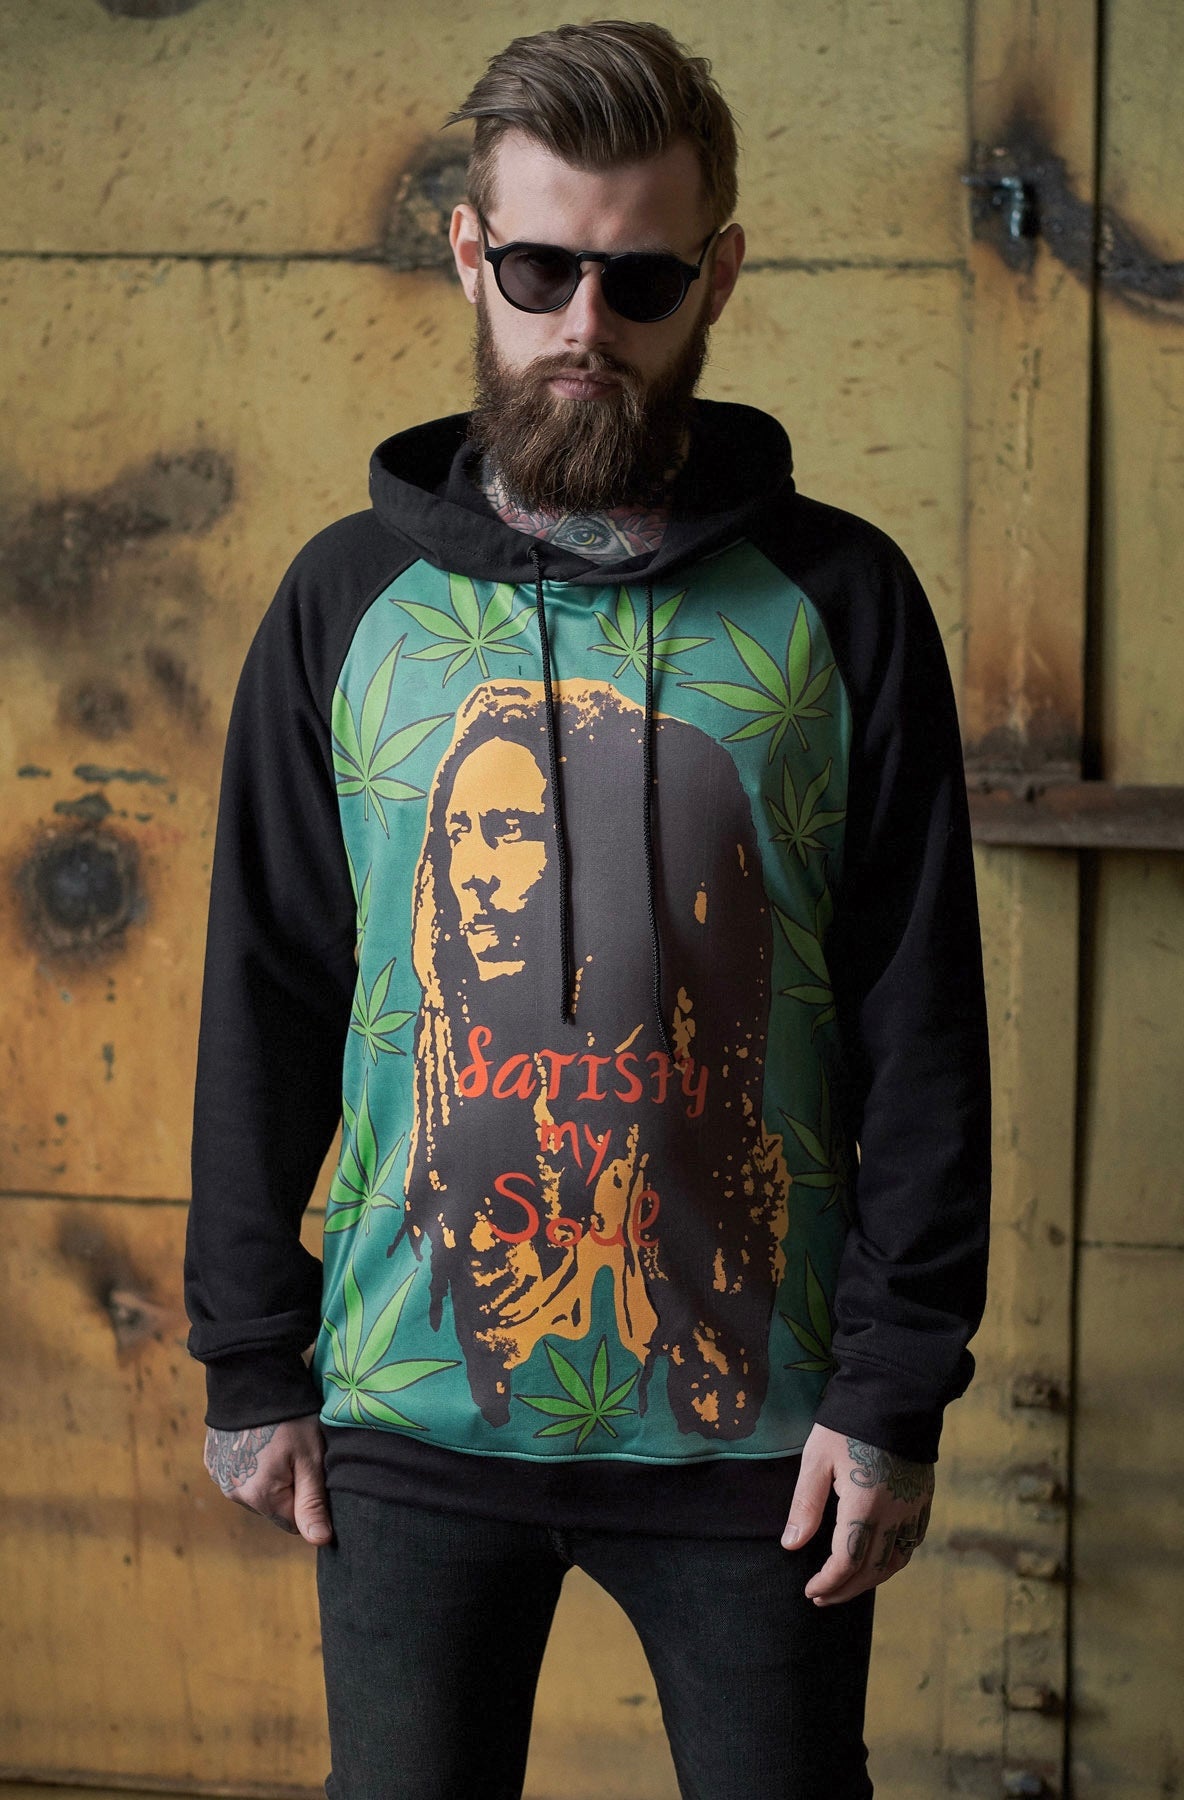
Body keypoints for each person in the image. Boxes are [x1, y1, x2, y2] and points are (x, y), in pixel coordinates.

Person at [185, 20, 990, 1800]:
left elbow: (919, 1017)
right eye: (541, 269)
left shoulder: (840, 601)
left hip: (756, 1424)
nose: (584, 325)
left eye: (640, 280)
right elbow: (269, 985)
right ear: (471, 253)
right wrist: (249, 1357)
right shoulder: (348, 602)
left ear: (719, 276)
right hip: (409, 1404)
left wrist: (893, 1390)